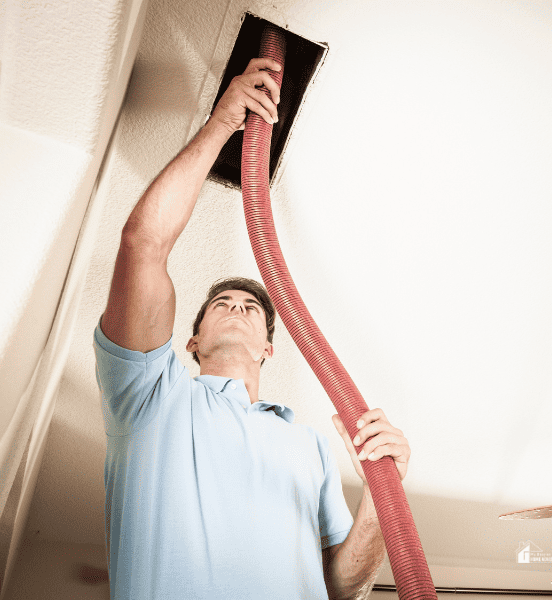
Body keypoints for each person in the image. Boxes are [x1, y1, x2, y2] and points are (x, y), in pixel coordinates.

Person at [93, 57, 411, 600]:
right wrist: (223, 123)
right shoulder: (149, 397)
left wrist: (386, 496)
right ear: (190, 343)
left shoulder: (308, 446)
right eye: (222, 302)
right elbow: (143, 243)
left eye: (251, 306)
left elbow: (340, 586)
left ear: (269, 346)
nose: (238, 306)